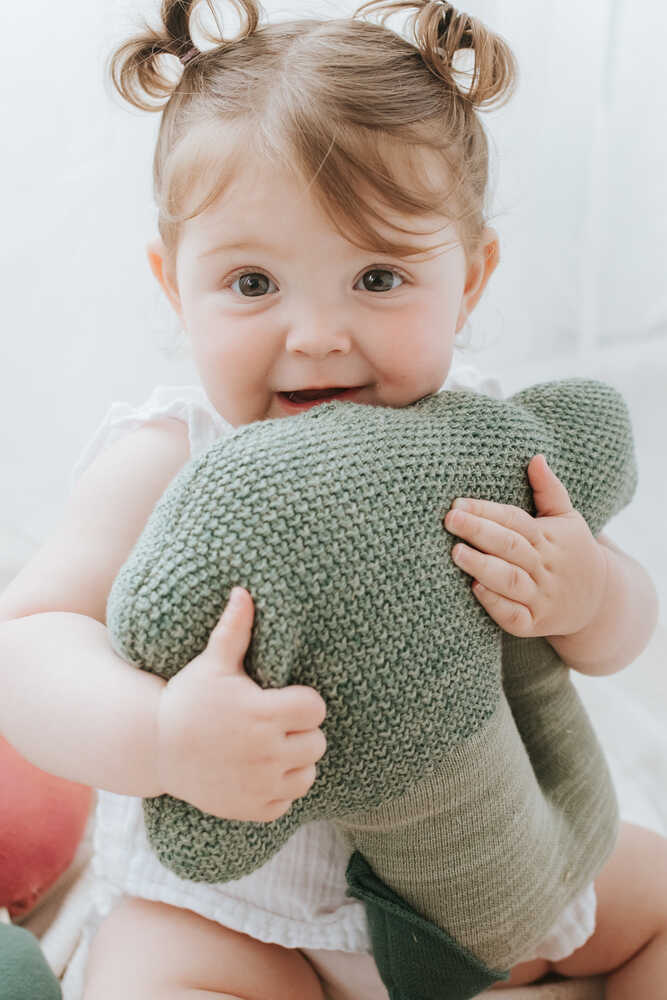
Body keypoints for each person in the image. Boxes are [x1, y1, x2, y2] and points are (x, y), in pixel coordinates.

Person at [0, 1, 663, 998]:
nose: (315, 333)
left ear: (470, 279)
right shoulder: (168, 455)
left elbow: (620, 636)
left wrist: (588, 595)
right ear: (174, 286)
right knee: (145, 974)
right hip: (231, 912)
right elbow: (31, 644)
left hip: (487, 872)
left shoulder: (474, 442)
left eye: (379, 276)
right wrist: (164, 736)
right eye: (254, 281)